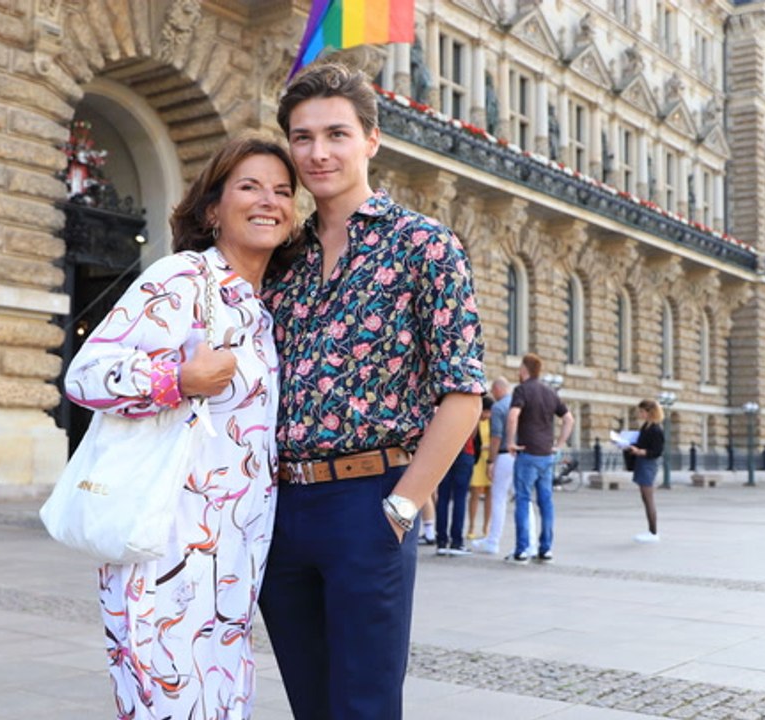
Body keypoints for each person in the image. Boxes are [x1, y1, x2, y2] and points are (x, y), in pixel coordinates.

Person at [260, 62, 486, 720]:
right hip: (279, 509)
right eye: (302, 138)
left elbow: (463, 391)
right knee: (311, 701)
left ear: (372, 141)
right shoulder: (283, 257)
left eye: (336, 134)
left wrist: (403, 507)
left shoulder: (425, 246)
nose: (319, 152)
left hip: (369, 503)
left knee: (364, 704)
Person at [64, 136, 295, 720]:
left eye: (282, 190)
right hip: (163, 553)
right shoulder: (185, 278)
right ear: (213, 208)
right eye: (250, 186)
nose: (269, 200)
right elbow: (86, 374)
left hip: (235, 562)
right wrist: (179, 378)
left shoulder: (262, 310)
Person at [505, 353, 573, 564]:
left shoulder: (521, 390)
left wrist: (510, 441)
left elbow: (513, 415)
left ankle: (522, 550)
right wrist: (559, 445)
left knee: (523, 501)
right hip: (546, 455)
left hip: (527, 453)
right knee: (546, 502)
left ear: (524, 370)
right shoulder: (550, 392)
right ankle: (546, 548)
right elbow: (569, 418)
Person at [472, 377, 516, 555]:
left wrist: (491, 461)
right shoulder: (517, 404)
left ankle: (493, 541)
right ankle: (529, 543)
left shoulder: (498, 407)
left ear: (499, 389)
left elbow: (496, 437)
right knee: (523, 499)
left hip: (504, 455)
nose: (492, 393)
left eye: (493, 390)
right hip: (519, 455)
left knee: (499, 499)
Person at [436, 404, 483, 556]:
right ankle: (456, 541)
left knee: (443, 497)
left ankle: (441, 540)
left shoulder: (443, 402)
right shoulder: (470, 401)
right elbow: (474, 430)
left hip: (444, 450)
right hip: (464, 450)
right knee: (460, 498)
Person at [626, 399, 664, 543]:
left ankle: (653, 532)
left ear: (650, 412)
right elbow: (640, 443)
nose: (640, 414)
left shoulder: (656, 429)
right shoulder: (646, 427)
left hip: (648, 464)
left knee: (649, 499)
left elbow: (656, 451)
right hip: (642, 463)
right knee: (645, 498)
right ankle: (651, 530)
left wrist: (640, 451)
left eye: (642, 411)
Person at [467, 394, 494, 542]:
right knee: (475, 493)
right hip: (478, 460)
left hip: (489, 460)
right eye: (486, 411)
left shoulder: (492, 422)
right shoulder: (477, 421)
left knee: (490, 493)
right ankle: (471, 526)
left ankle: (486, 527)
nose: (488, 415)